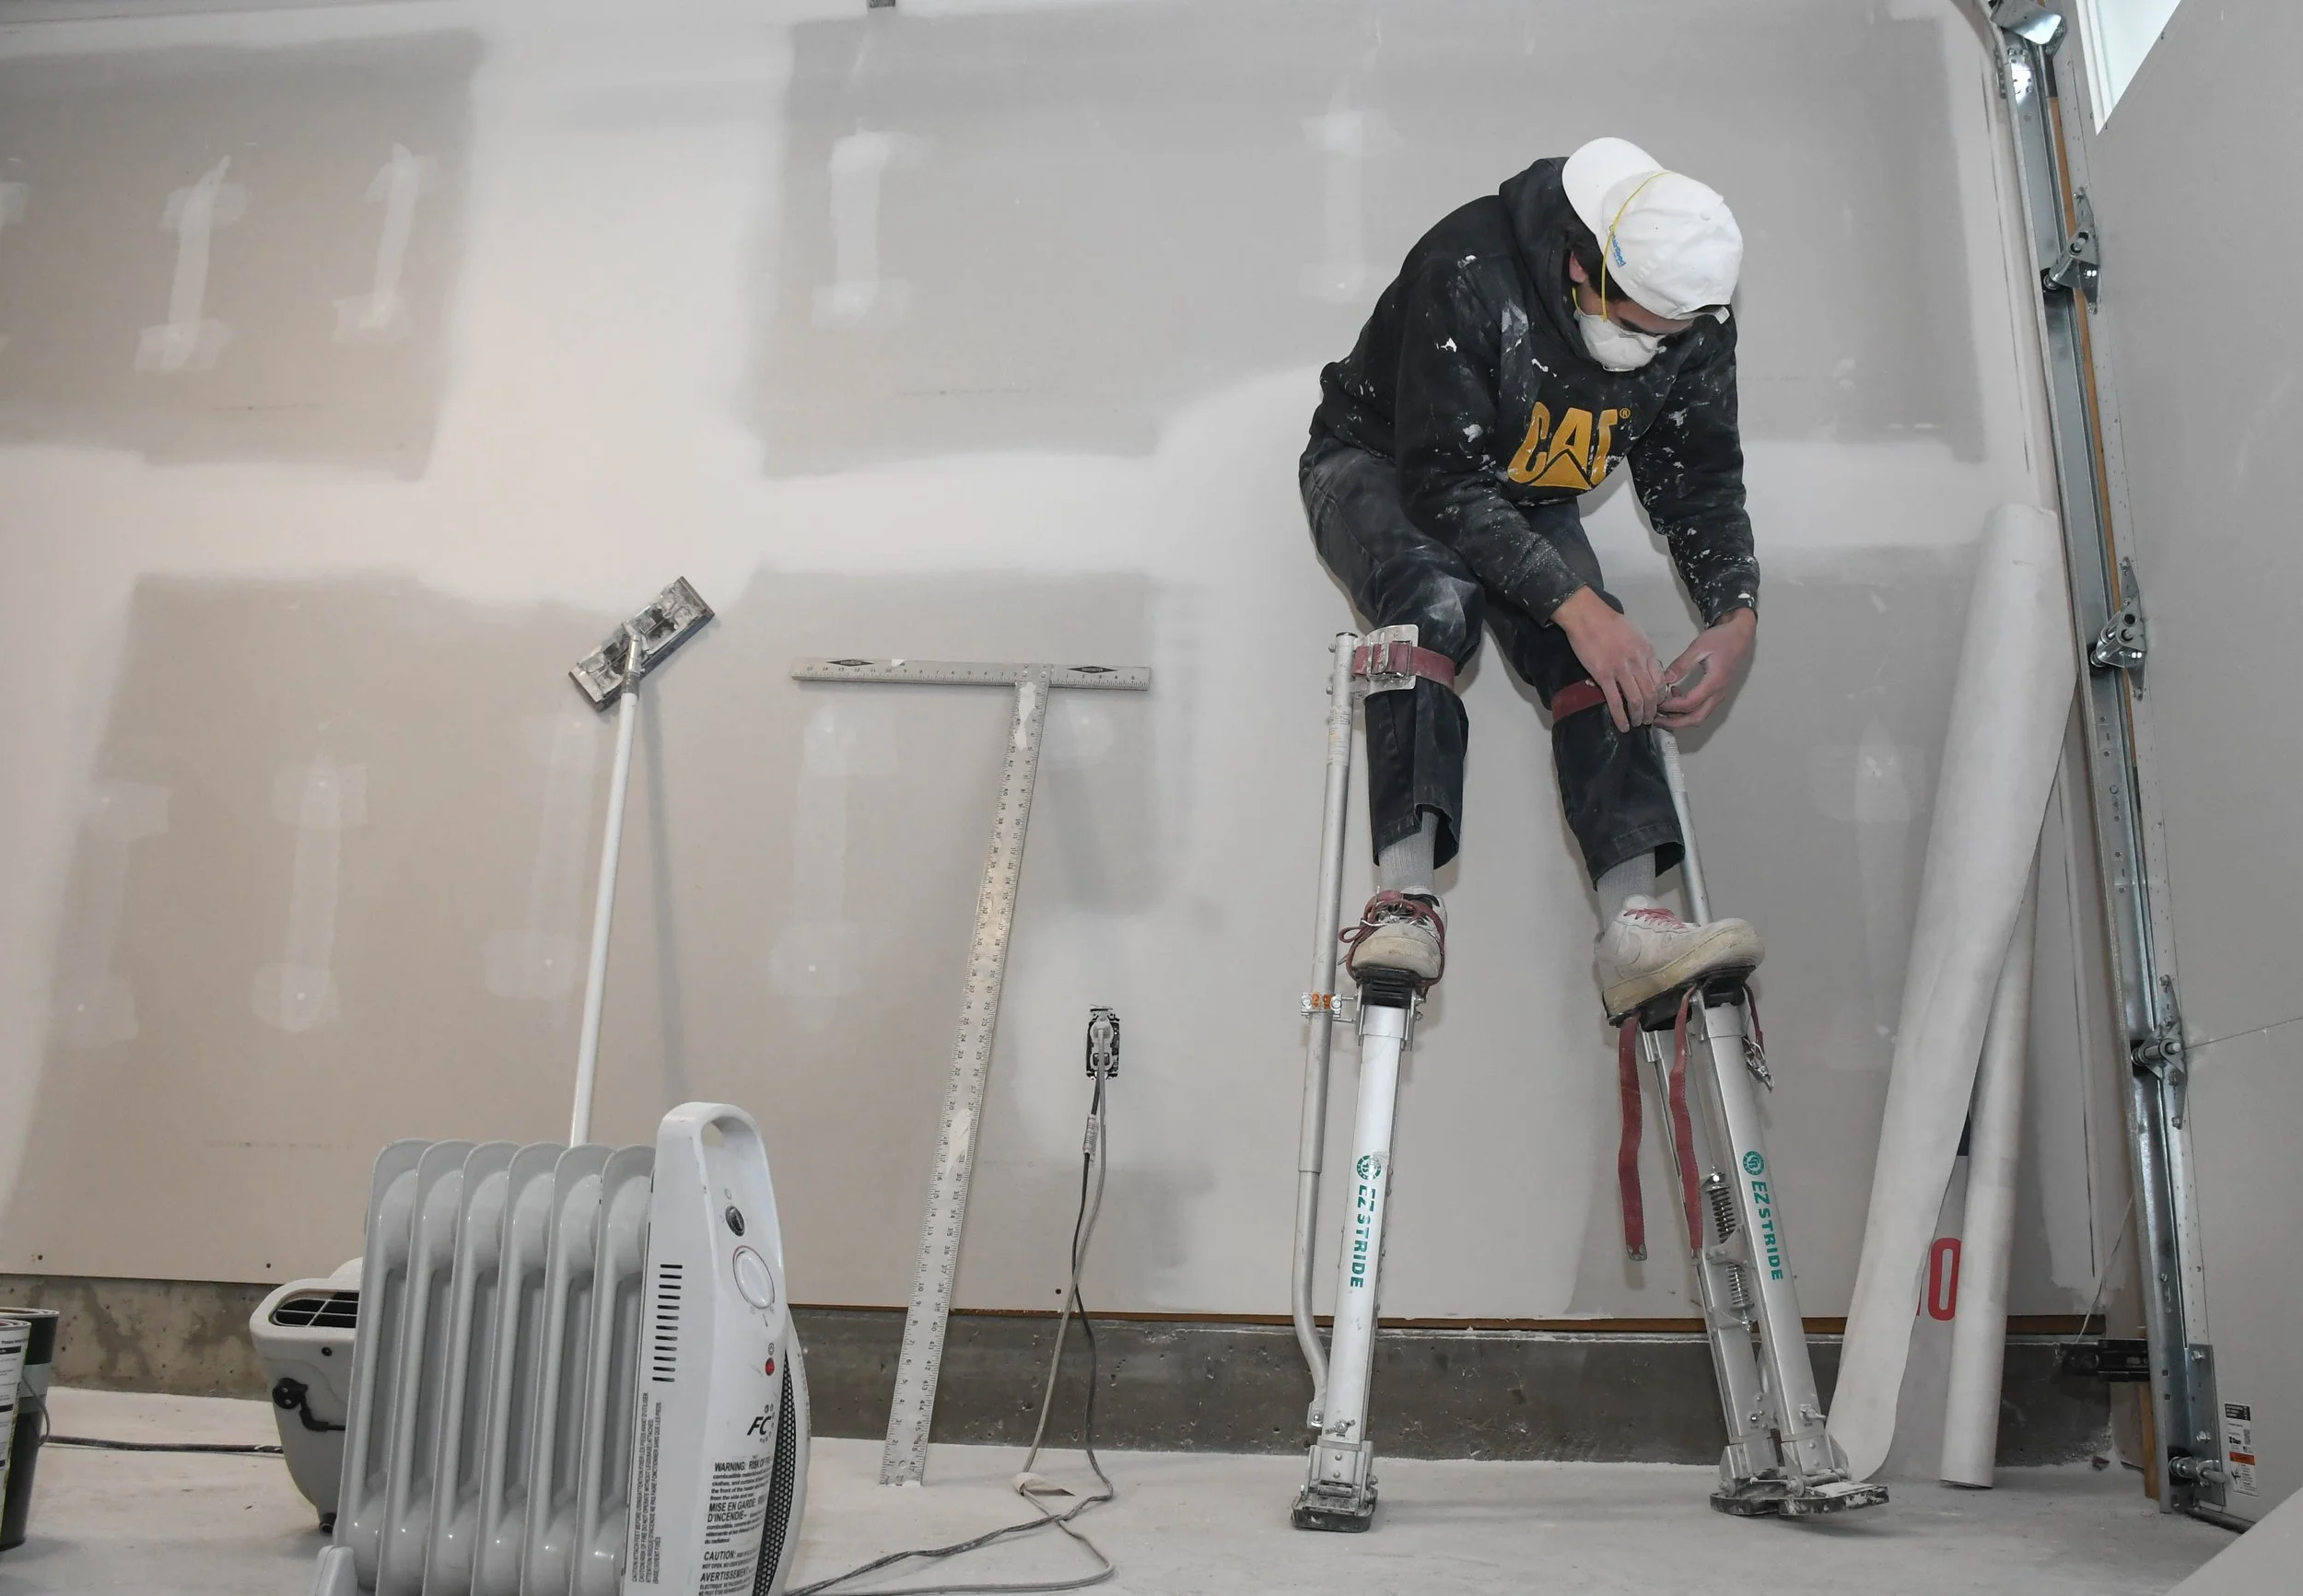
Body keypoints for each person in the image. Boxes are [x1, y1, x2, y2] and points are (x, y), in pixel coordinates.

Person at [1303, 136, 1763, 1021]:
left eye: (1662, 339)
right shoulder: (1468, 270)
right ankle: (1404, 899)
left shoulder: (1691, 318)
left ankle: (1633, 924)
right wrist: (1574, 604)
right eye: (1631, 327)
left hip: (1525, 482)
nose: (1643, 351)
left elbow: (1700, 476)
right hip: (1383, 460)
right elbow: (1441, 483)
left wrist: (1735, 612)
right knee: (1435, 602)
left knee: (1602, 652)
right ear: (1582, 266)